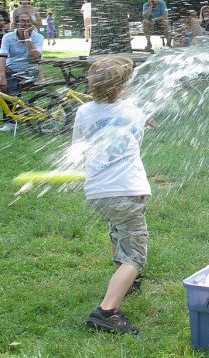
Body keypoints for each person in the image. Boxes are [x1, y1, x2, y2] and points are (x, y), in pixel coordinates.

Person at [73, 55, 151, 335]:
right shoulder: (133, 111)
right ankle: (107, 311)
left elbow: (78, 146)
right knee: (136, 256)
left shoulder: (83, 112)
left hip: (97, 192)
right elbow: (137, 137)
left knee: (119, 231)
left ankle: (125, 280)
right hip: (128, 190)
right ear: (123, 87)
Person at [0, 12, 44, 132]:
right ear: (16, 24)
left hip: (30, 71)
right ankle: (10, 120)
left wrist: (27, 37)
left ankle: (16, 114)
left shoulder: (38, 37)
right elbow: (2, 58)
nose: (26, 23)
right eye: (23, 21)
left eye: (28, 21)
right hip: (11, 69)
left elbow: (36, 57)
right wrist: (2, 76)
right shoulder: (7, 37)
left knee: (12, 85)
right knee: (6, 85)